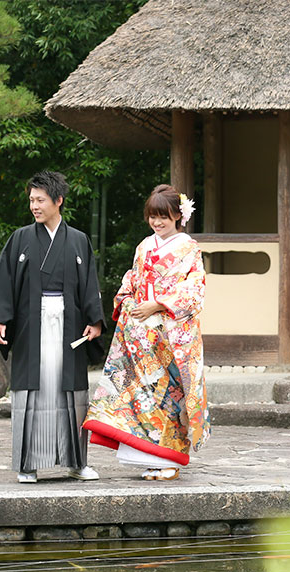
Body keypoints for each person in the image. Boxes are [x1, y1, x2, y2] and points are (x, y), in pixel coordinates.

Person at [0, 171, 105, 483]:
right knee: (33, 390)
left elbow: (89, 285)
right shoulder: (20, 238)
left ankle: (76, 462)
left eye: (40, 200)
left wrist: (95, 321)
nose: (34, 205)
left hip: (68, 325)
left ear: (58, 201)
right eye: (31, 200)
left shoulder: (78, 240)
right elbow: (4, 282)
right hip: (32, 325)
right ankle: (27, 464)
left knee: (69, 392)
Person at [82, 184, 209, 481]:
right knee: (141, 396)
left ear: (178, 215)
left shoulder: (188, 247)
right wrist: (130, 303)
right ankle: (147, 457)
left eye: (163, 216)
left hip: (171, 337)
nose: (157, 222)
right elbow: (130, 282)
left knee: (170, 396)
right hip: (142, 338)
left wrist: (157, 304)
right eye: (153, 216)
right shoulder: (144, 246)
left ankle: (170, 458)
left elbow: (193, 290)